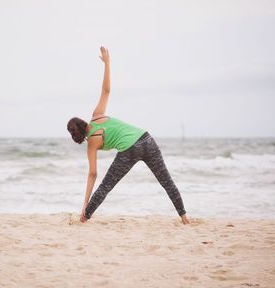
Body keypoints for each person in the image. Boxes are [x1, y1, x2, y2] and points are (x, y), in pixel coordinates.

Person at [67, 46, 189, 225]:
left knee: (106, 186)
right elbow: (106, 91)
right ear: (83, 122)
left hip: (129, 150)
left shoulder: (91, 142)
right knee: (166, 181)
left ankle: (85, 217)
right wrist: (107, 64)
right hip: (146, 139)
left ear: (75, 136)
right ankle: (184, 218)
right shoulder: (97, 115)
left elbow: (93, 174)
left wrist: (85, 203)